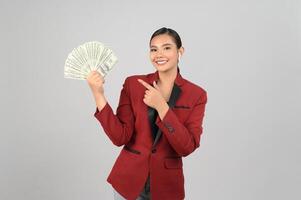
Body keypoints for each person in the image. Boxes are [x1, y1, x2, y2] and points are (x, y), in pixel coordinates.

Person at [87, 27, 207, 200]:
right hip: (128, 182)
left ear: (180, 51)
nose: (159, 54)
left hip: (167, 187)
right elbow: (119, 137)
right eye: (153, 49)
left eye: (167, 48)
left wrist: (162, 107)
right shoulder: (133, 84)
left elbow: (187, 147)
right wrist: (98, 94)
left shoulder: (196, 94)